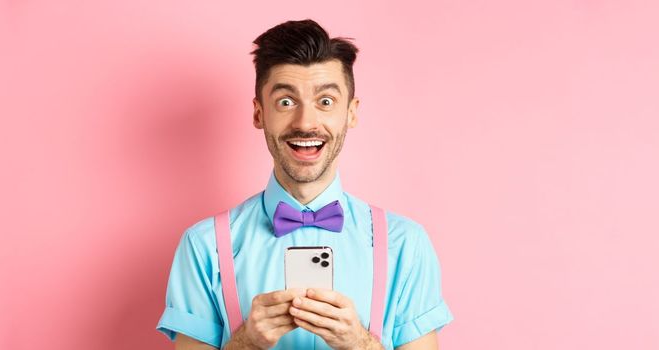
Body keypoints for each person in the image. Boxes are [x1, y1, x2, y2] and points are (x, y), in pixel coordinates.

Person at [156, 19, 452, 350]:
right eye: (286, 101)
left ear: (351, 113)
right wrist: (246, 343)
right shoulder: (203, 246)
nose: (305, 123)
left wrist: (359, 344)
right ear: (259, 114)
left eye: (325, 101)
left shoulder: (405, 245)